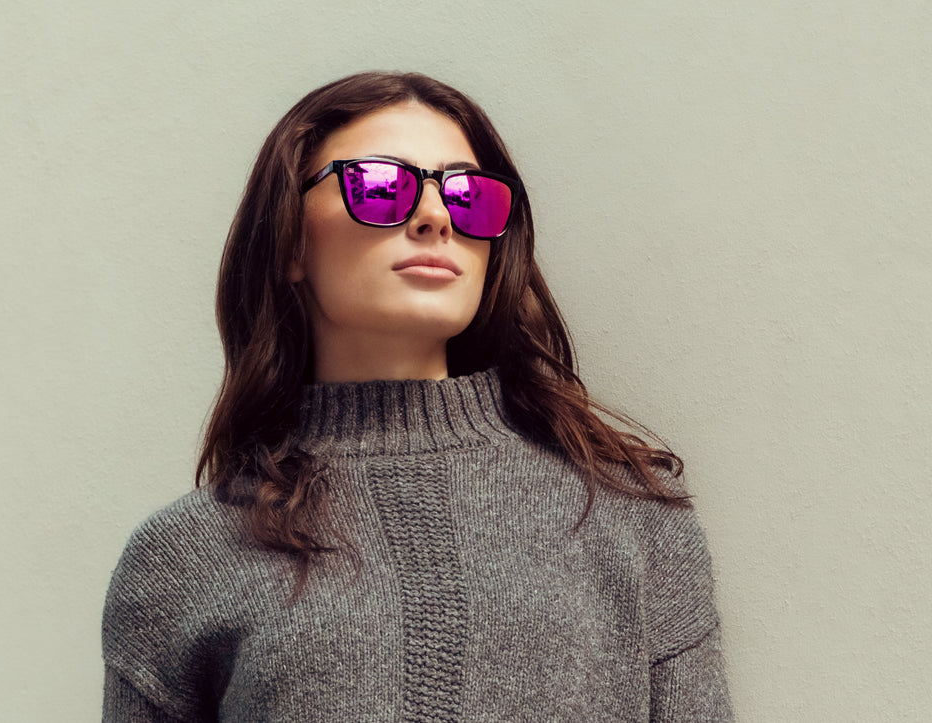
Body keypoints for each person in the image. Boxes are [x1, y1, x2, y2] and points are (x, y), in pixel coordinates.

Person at [101, 70, 734, 722]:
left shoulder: (633, 517)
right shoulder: (182, 557)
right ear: (290, 238)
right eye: (380, 186)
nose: (435, 216)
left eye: (467, 196)